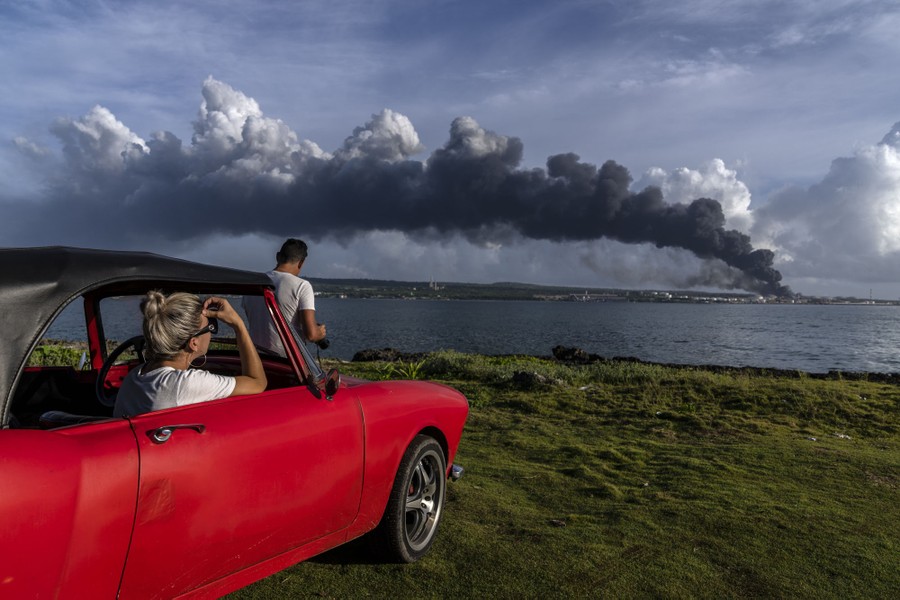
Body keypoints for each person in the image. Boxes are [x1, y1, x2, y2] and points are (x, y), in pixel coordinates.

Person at [113, 291, 267, 417]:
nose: (212, 333)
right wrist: (238, 325)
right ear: (194, 343)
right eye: (211, 327)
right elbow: (257, 382)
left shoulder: (133, 376)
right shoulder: (185, 384)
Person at [243, 238, 326, 356]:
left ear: (278, 257)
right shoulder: (302, 286)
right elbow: (311, 335)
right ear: (301, 262)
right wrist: (320, 333)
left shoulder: (253, 283)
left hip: (255, 358)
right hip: (287, 362)